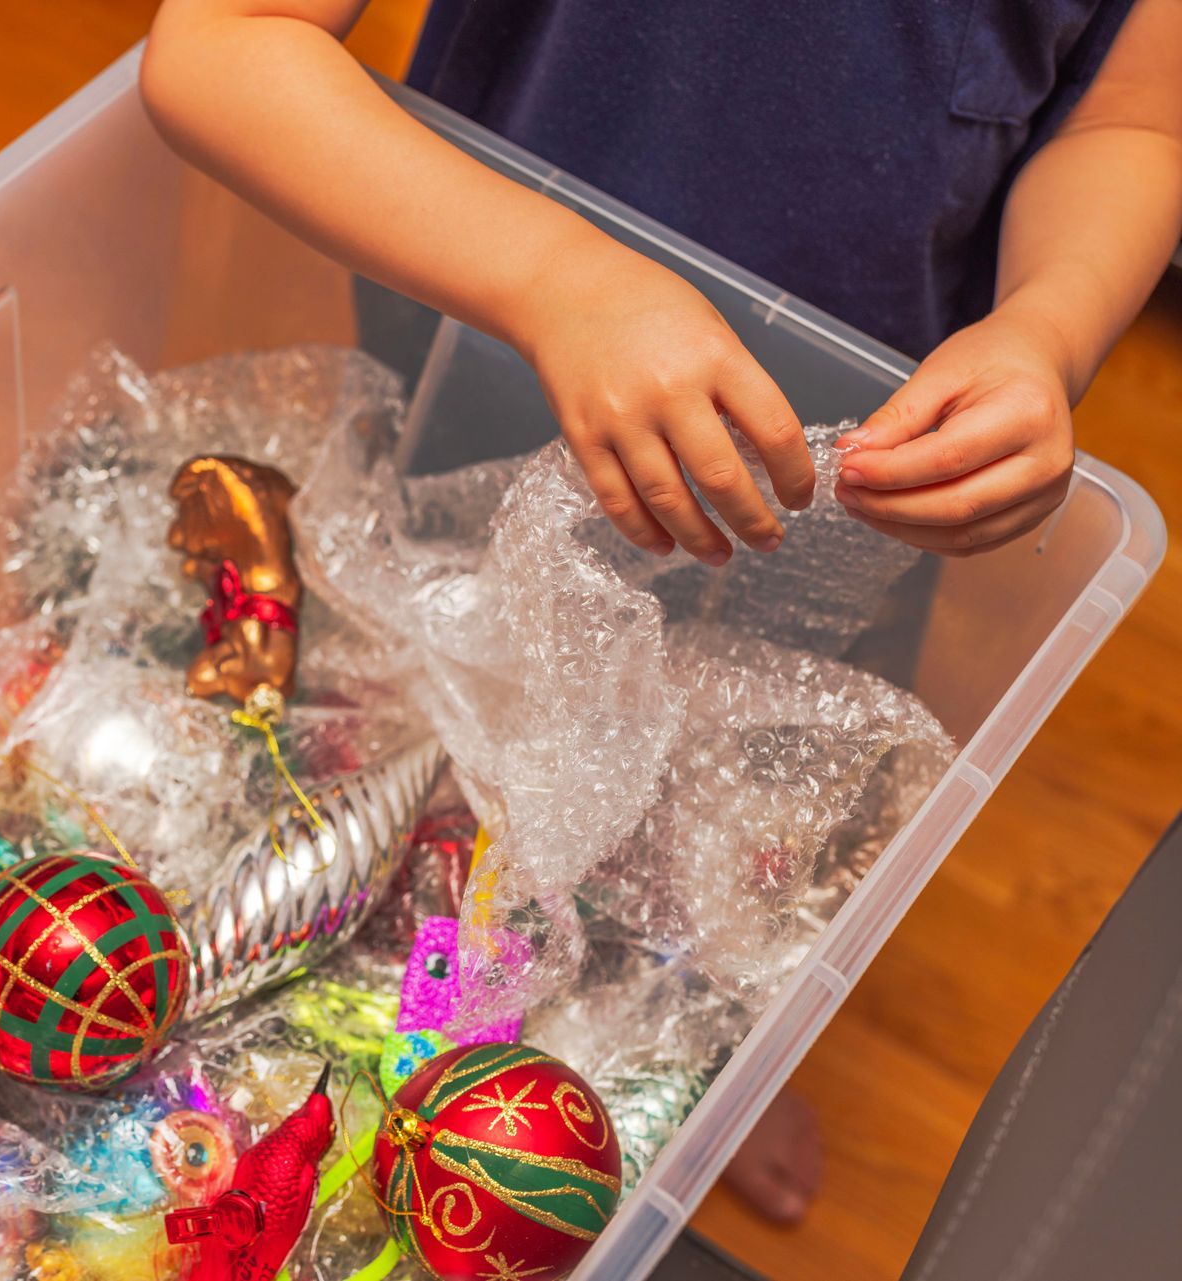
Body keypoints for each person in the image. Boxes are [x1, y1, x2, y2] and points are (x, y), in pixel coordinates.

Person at [139, 0, 1182, 1222]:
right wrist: (555, 280)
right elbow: (217, 46)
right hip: (487, 377)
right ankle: (414, 1027)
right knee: (428, 751)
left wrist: (1048, 329)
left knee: (746, 814)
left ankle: (699, 1046)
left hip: (851, 480)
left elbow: (1128, 115)